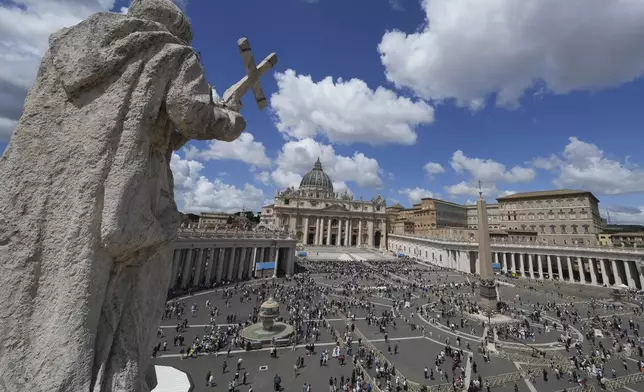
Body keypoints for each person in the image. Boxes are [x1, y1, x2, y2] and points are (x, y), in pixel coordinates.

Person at [0, 0, 247, 391]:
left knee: (56, 288)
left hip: (55, 191)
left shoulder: (66, 50)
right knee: (124, 294)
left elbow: (162, 125)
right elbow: (194, 117)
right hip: (127, 196)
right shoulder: (171, 52)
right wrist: (231, 117)